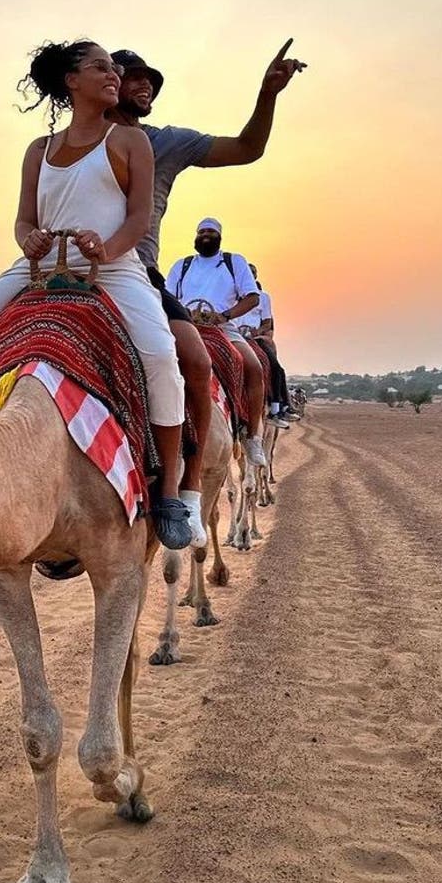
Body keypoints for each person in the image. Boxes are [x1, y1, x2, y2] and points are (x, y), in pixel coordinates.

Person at [0, 40, 193, 550]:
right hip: (40, 267)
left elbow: (138, 219)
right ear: (71, 80)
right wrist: (29, 241)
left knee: (160, 355)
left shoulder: (130, 141)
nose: (113, 75)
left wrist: (106, 249)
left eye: (113, 69)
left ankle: (170, 492)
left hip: (114, 268)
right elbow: (24, 220)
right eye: (100, 68)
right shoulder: (38, 150)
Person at [108, 41, 305, 528]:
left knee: (214, 362)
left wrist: (267, 95)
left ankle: (193, 484)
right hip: (69, 269)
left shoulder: (164, 143)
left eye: (151, 79)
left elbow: (246, 148)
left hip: (138, 275)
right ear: (106, 84)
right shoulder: (69, 143)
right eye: (134, 76)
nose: (146, 85)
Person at [165, 218, 269, 464]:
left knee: (254, 367)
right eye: (202, 231)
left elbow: (252, 298)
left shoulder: (234, 262)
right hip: (185, 326)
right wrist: (183, 313)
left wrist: (224, 316)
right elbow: (167, 296)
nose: (206, 235)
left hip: (223, 327)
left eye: (211, 232)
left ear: (219, 236)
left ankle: (252, 437)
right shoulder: (182, 266)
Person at [239, 263, 293, 426]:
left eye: (252, 273)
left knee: (275, 367)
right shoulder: (229, 293)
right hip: (231, 334)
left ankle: (276, 408)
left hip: (253, 338)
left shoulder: (263, 298)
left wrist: (258, 332)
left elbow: (267, 322)